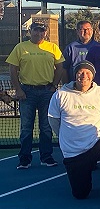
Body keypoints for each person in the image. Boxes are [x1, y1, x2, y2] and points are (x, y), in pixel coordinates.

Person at [47, 61, 100, 201]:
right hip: (74, 151)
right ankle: (85, 170)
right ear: (75, 75)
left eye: (88, 72)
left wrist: (99, 131)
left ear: (93, 76)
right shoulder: (61, 95)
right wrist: (66, 137)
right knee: (81, 194)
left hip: (97, 143)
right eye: (80, 72)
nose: (84, 76)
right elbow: (54, 120)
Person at [7, 21, 65, 169]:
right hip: (27, 92)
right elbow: (12, 70)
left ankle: (46, 156)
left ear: (45, 32)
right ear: (30, 31)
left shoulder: (53, 47)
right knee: (26, 127)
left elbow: (60, 67)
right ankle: (25, 158)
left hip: (47, 92)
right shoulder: (20, 47)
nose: (39, 33)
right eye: (36, 30)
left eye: (42, 31)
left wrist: (53, 86)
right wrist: (18, 90)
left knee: (46, 127)